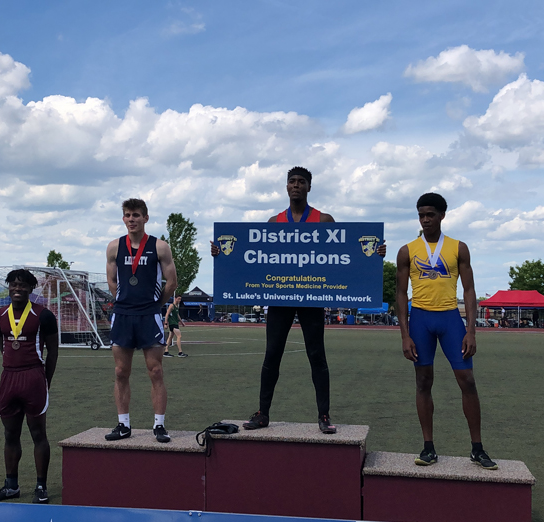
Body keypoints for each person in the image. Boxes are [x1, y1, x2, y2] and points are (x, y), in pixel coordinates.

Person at [210, 166, 385, 434]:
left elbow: (346, 252)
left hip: (311, 296)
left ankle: (324, 415)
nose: (296, 185)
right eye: (292, 181)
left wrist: (375, 254)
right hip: (280, 297)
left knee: (316, 355)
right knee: (272, 354)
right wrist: (221, 254)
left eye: (301, 181)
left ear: (309, 187)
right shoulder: (274, 222)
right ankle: (263, 413)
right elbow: (253, 256)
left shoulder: (324, 220)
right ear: (286, 186)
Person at [396, 192, 496, 470]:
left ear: (442, 215)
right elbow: (400, 293)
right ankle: (428, 447)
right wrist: (404, 335)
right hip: (420, 320)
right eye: (421, 215)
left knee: (468, 381)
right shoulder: (407, 250)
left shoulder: (458, 248)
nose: (425, 220)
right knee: (423, 382)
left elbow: (469, 289)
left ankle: (477, 448)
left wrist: (471, 330)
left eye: (430, 214)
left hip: (451, 319)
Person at [105, 198, 177, 443]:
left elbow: (172, 282)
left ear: (145, 218)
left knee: (155, 371)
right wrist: (123, 301)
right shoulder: (114, 247)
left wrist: (155, 305)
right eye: (127, 215)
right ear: (123, 218)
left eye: (136, 215)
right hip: (123, 315)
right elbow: (112, 281)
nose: (131, 219)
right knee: (120, 371)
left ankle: (159, 425)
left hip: (149, 315)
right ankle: (123, 425)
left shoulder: (160, 247)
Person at [0, 269, 59, 504]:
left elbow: (53, 352)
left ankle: (41, 486)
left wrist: (45, 380)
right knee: (10, 434)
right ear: (8, 287)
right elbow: (3, 345)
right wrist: (11, 365)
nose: (17, 288)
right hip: (9, 377)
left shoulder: (43, 315)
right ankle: (11, 486)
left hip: (33, 377)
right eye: (14, 284)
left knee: (38, 433)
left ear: (30, 288)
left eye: (23, 285)